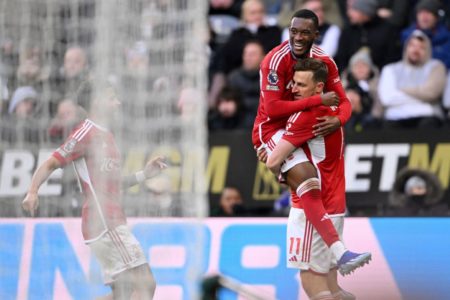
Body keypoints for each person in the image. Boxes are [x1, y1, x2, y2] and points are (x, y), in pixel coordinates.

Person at [22, 81, 166, 299]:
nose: (117, 103)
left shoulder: (107, 136)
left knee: (123, 293)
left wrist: (144, 174)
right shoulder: (86, 132)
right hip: (104, 221)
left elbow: (113, 184)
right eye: (112, 98)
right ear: (97, 101)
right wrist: (33, 191)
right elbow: (51, 162)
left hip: (107, 221)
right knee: (145, 285)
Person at [252, 8, 369, 277]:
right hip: (272, 131)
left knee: (314, 185)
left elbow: (345, 100)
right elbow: (272, 111)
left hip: (300, 125)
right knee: (308, 180)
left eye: (305, 32)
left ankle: (334, 259)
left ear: (317, 35)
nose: (298, 37)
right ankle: (341, 254)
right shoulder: (274, 61)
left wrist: (339, 120)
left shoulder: (324, 62)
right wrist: (317, 101)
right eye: (294, 31)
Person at [266, 58, 367, 300]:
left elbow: (272, 161)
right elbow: (346, 105)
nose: (294, 89)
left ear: (319, 88)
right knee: (334, 289)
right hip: (335, 208)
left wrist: (280, 170)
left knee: (313, 283)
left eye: (301, 85)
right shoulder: (333, 109)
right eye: (294, 83)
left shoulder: (307, 116)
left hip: (311, 210)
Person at [378, 29, 446, 129]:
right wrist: (421, 97)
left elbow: (431, 93)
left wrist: (402, 90)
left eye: (421, 47)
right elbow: (387, 99)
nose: (416, 50)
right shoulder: (390, 69)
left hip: (427, 116)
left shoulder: (436, 66)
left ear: (428, 50)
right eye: (412, 45)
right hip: (395, 117)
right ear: (406, 48)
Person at [401, 0, 450, 69]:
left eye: (428, 13)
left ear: (436, 17)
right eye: (421, 13)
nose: (424, 17)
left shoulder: (446, 38)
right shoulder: (406, 36)